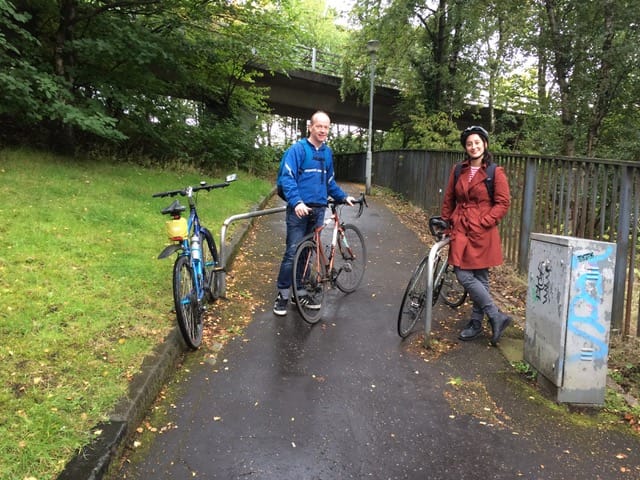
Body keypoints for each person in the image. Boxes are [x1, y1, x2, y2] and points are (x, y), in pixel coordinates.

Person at [273, 110, 355, 316]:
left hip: (318, 209)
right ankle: (282, 295)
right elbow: (287, 179)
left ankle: (298, 292)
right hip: (299, 210)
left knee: (307, 253)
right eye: (319, 126)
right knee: (292, 252)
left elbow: (329, 182)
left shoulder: (326, 153)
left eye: (326, 127)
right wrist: (297, 202)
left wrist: (343, 196)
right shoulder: (298, 150)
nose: (323, 130)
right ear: (310, 127)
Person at [441, 126, 512, 346]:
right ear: (465, 147)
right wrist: (445, 222)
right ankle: (495, 315)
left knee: (480, 278)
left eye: (477, 143)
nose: (473, 147)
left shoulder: (494, 172)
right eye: (469, 143)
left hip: (482, 231)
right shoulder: (458, 170)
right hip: (461, 227)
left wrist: (484, 222)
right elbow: (449, 198)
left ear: (485, 144)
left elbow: (503, 203)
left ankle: (476, 322)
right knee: (463, 274)